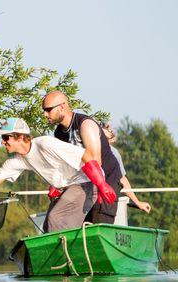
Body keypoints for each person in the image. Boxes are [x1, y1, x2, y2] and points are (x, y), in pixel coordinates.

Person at [0, 117, 116, 233]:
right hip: (69, 187)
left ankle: (63, 258)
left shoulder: (45, 144)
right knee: (50, 224)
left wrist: (101, 184)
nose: (2, 142)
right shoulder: (16, 161)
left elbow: (86, 156)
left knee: (55, 217)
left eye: (6, 138)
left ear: (20, 137)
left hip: (88, 182)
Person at [42, 91, 123, 224]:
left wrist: (101, 186)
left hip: (106, 179)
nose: (45, 114)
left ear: (62, 107)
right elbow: (64, 164)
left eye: (48, 110)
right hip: (84, 180)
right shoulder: (59, 133)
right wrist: (57, 185)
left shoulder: (85, 124)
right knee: (71, 222)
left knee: (96, 224)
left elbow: (96, 162)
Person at [101, 123, 151, 214]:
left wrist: (137, 202)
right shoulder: (92, 149)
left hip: (105, 201)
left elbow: (122, 180)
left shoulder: (114, 153)